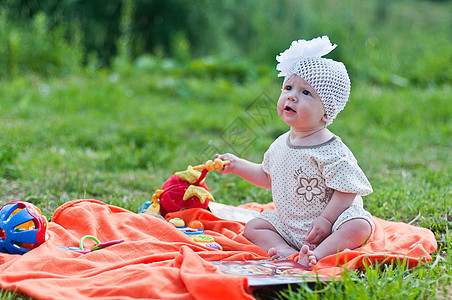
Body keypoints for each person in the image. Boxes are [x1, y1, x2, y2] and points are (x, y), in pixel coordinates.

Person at [215, 36, 374, 268]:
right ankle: (285, 250)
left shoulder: (331, 149)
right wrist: (237, 165)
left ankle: (318, 255)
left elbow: (347, 191)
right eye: (288, 87)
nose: (291, 96)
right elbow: (268, 177)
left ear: (326, 111)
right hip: (290, 225)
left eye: (306, 93)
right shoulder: (280, 144)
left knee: (359, 225)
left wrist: (326, 220)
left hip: (330, 225)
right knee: (254, 226)